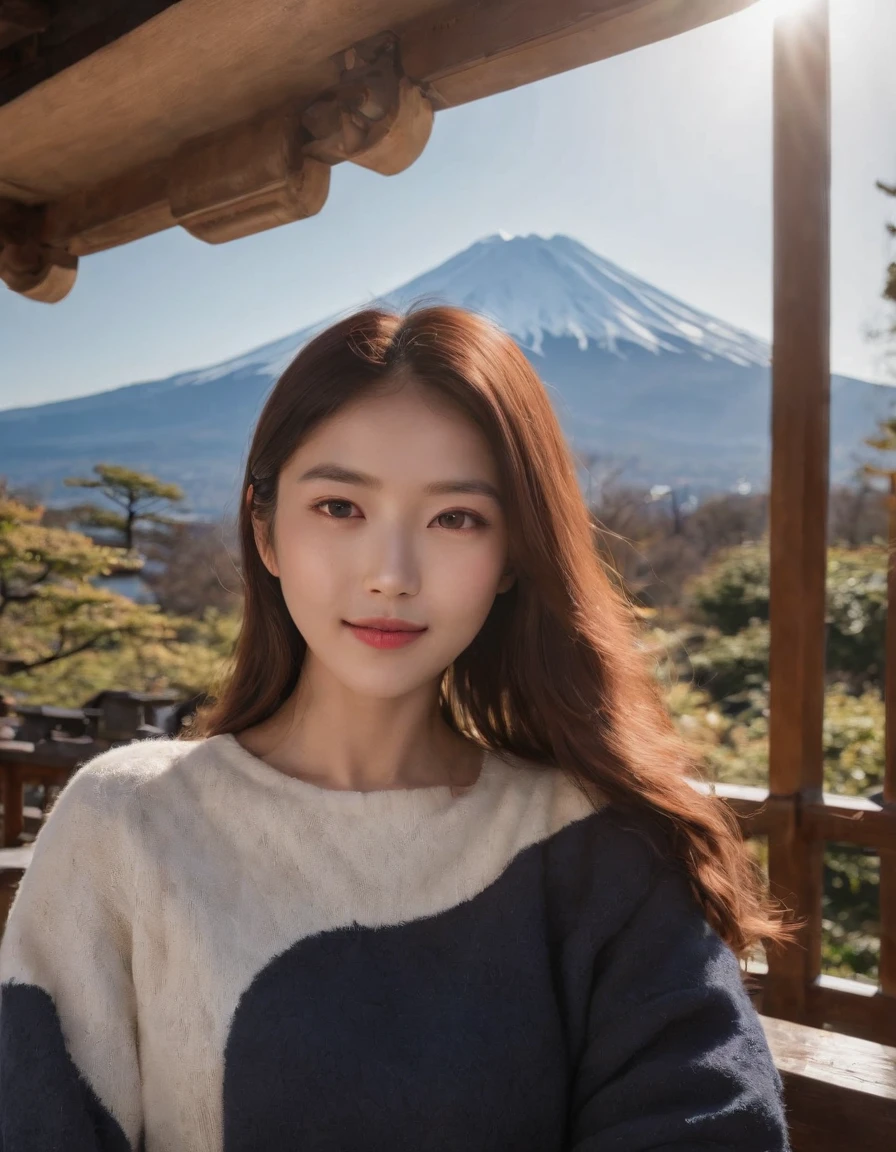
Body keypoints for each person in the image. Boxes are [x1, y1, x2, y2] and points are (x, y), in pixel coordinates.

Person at [0, 306, 793, 1151]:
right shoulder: (126, 825)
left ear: (513, 557)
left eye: (456, 518)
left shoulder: (596, 848)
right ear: (264, 528)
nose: (391, 575)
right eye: (339, 506)